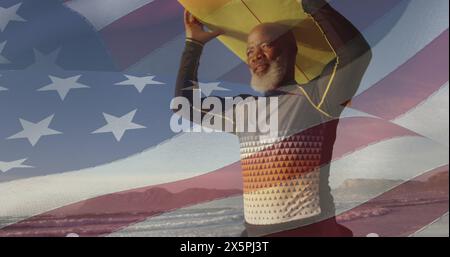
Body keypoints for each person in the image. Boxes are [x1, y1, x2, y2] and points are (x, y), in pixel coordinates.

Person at [174, 0, 372, 237]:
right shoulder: (244, 110)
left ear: (291, 50)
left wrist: (313, 5)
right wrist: (193, 45)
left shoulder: (318, 97)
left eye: (266, 46)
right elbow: (185, 107)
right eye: (249, 50)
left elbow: (356, 53)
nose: (255, 56)